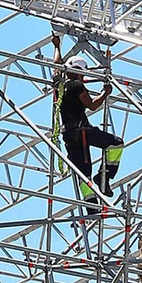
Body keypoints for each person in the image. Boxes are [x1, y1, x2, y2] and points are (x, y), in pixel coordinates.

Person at [53, 57, 122, 209]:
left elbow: (56, 65)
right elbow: (92, 105)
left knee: (83, 174)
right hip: (82, 131)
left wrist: (56, 46)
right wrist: (105, 93)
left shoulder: (59, 85)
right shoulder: (77, 86)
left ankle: (92, 208)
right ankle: (104, 176)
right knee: (116, 143)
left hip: (69, 135)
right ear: (80, 72)